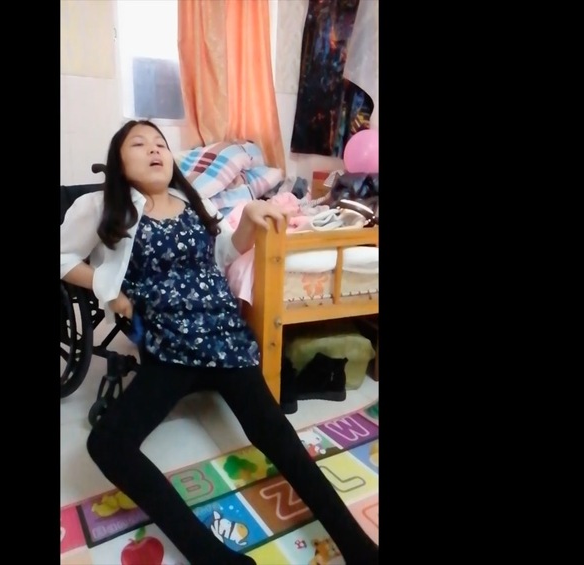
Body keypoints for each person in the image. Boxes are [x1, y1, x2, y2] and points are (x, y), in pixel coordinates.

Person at [60, 120, 379, 565]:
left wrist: (247, 220)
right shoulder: (102, 207)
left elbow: (223, 255)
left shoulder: (193, 199)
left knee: (277, 436)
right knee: (107, 444)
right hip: (168, 348)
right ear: (118, 162)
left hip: (225, 338)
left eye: (160, 143)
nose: (154, 149)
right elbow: (63, 256)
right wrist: (108, 289)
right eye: (139, 144)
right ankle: (212, 557)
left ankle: (359, 548)